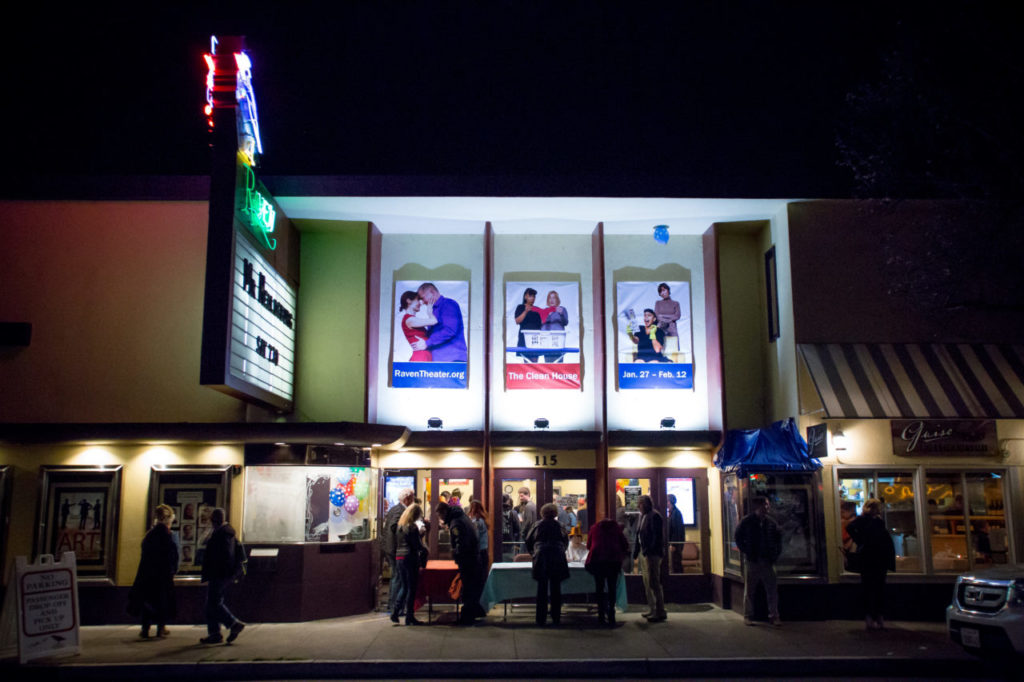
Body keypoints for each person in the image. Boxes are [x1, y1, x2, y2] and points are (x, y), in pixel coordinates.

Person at [128, 504, 178, 639]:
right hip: (163, 574)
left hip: (148, 574)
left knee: (148, 601)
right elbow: (172, 555)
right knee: (162, 600)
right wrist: (173, 570)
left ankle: (145, 629)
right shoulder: (168, 536)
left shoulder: (149, 535)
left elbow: (144, 553)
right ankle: (161, 628)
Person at [846, 498, 896, 630]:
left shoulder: (863, 520)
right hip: (878, 558)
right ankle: (878, 616)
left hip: (868, 558)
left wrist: (860, 541)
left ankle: (870, 616)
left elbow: (850, 527)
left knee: (868, 587)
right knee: (878, 587)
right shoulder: (876, 521)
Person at [199, 507, 245, 644]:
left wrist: (218, 572)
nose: (211, 522)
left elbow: (224, 556)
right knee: (211, 604)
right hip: (221, 574)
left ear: (216, 519)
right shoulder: (225, 532)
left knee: (214, 603)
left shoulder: (222, 534)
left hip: (219, 574)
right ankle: (215, 633)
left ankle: (233, 623)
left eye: (212, 519)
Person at [734, 497, 783, 627]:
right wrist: (747, 551)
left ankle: (774, 615)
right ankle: (748, 615)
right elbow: (738, 537)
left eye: (767, 505)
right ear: (758, 506)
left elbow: (778, 539)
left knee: (772, 589)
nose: (767, 507)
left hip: (767, 560)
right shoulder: (747, 522)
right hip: (753, 560)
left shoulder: (771, 523)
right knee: (750, 589)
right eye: (765, 505)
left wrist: (775, 554)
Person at [435, 502, 483, 624]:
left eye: (440, 515)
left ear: (444, 512)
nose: (440, 519)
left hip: (467, 559)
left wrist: (456, 555)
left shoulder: (456, 522)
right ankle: (473, 613)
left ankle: (467, 618)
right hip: (473, 557)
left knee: (467, 588)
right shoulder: (461, 517)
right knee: (471, 587)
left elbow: (460, 543)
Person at [525, 503, 569, 626]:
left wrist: (533, 553)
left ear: (542, 513)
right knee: (556, 589)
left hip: (541, 557)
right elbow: (565, 542)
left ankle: (540, 618)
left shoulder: (537, 525)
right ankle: (556, 617)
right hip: (557, 557)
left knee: (541, 589)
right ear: (555, 513)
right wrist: (561, 551)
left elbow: (528, 541)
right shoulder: (560, 525)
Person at [586, 517, 628, 626]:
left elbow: (588, 545)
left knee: (599, 587)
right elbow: (625, 544)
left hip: (597, 560)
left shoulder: (594, 528)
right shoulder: (616, 529)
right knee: (612, 587)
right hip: (613, 561)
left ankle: (601, 614)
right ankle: (611, 614)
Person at [411, 282, 467, 362]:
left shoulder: (448, 304)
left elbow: (449, 330)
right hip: (441, 361)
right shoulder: (434, 310)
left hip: (452, 360)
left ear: (432, 292)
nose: (422, 302)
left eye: (422, 298)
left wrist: (427, 343)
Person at [634, 494, 667, 622]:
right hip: (645, 553)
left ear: (647, 504)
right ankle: (652, 608)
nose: (638, 506)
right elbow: (639, 535)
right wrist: (637, 552)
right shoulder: (643, 516)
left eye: (641, 503)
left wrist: (648, 552)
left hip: (652, 554)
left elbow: (657, 537)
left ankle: (660, 611)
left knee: (654, 582)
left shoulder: (655, 516)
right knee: (647, 582)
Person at [384, 488, 415, 623]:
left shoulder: (394, 509)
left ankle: (393, 604)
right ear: (407, 498)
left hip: (392, 549)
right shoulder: (400, 510)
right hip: (395, 549)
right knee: (398, 578)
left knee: (395, 577)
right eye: (412, 498)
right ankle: (395, 607)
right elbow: (394, 527)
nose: (413, 500)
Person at [395, 503, 428, 625]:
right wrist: (421, 535)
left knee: (404, 586)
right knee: (412, 588)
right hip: (410, 558)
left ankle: (395, 611)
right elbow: (417, 546)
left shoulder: (400, 526)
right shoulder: (412, 527)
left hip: (399, 557)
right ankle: (409, 616)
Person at [398, 291, 437, 361]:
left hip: (423, 355)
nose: (420, 303)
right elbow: (434, 321)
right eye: (418, 300)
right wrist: (429, 312)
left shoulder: (411, 319)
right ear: (409, 301)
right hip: (420, 356)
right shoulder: (409, 320)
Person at [514, 287, 543, 362]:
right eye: (530, 296)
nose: (532, 298)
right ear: (525, 296)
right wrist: (525, 311)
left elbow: (541, 325)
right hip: (524, 339)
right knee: (526, 362)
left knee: (534, 363)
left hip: (536, 340)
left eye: (534, 296)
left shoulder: (537, 309)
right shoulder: (520, 307)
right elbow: (517, 321)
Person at [539, 290, 569, 362]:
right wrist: (546, 316)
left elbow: (566, 322)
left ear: (557, 299)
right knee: (548, 363)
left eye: (554, 298)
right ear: (548, 300)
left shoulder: (562, 309)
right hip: (547, 340)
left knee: (558, 363)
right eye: (550, 298)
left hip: (558, 341)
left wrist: (561, 314)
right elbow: (540, 324)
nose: (552, 300)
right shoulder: (545, 310)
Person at [654, 283, 681, 361]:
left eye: (664, 290)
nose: (663, 292)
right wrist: (670, 318)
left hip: (672, 327)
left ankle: (674, 362)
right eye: (660, 291)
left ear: (668, 290)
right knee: (660, 346)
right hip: (661, 326)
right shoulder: (658, 303)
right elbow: (657, 315)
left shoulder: (675, 303)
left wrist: (664, 316)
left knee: (674, 346)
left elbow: (677, 316)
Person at [468, 499, 491, 573]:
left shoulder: (477, 521)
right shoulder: (483, 519)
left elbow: (476, 537)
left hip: (478, 551)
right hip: (483, 550)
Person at [667, 494, 686, 573]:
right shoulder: (672, 512)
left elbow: (676, 530)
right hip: (673, 544)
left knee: (676, 564)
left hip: (675, 545)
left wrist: (673, 544)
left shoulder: (676, 514)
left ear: (669, 502)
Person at [500, 493, 521, 560]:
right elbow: (518, 528)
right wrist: (517, 543)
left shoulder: (494, 511)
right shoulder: (513, 512)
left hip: (497, 541)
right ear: (508, 501)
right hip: (510, 541)